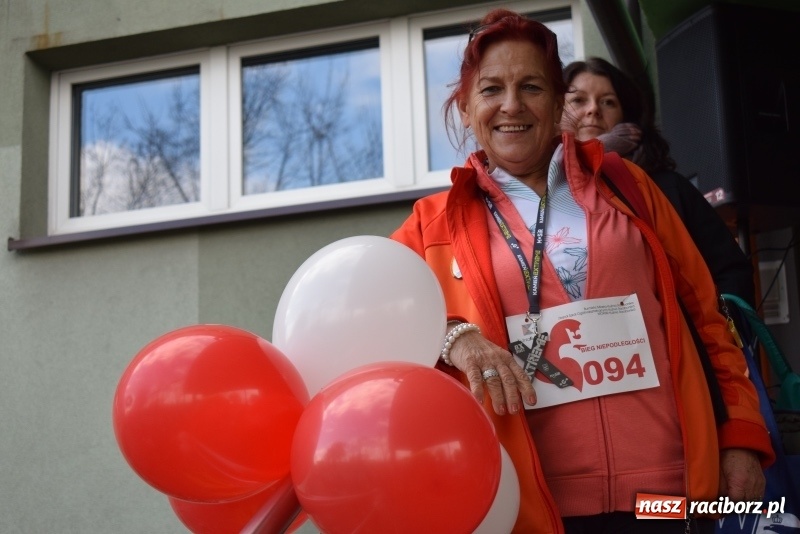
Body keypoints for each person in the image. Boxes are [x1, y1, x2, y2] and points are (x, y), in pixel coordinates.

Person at [390, 8, 774, 534]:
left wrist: (740, 437)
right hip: (533, 509)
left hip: (666, 496)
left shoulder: (629, 186)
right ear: (465, 105)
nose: (511, 106)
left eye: (531, 87)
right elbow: (378, 328)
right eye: (491, 90)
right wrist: (456, 336)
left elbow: (707, 318)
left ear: (556, 104)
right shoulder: (431, 223)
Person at [560, 57, 757, 307]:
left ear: (626, 116)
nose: (593, 109)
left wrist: (720, 331)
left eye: (608, 102)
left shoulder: (665, 186)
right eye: (579, 100)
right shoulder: (540, 192)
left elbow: (731, 270)